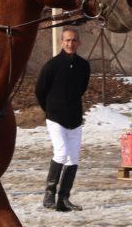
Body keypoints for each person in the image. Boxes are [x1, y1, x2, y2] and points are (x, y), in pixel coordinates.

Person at [35, 28, 91, 211]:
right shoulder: (52, 65)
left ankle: (63, 199)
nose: (70, 43)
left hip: (74, 118)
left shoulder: (84, 66)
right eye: (67, 40)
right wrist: (50, 109)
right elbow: (40, 91)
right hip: (55, 118)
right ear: (61, 42)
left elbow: (81, 89)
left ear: (79, 42)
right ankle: (49, 195)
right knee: (61, 152)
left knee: (73, 159)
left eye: (74, 40)